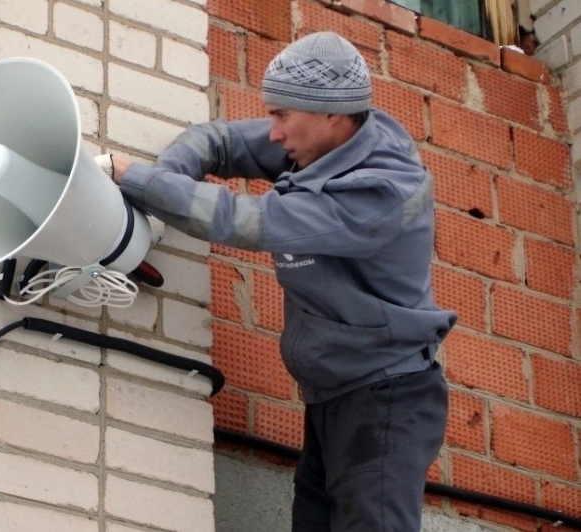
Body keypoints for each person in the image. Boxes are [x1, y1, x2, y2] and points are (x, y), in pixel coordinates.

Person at [98, 31, 456, 532]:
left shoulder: (380, 193)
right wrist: (163, 185)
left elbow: (248, 221)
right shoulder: (321, 141)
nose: (273, 133)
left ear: (332, 114)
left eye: (282, 116)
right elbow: (217, 140)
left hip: (387, 397)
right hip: (334, 392)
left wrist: (134, 178)